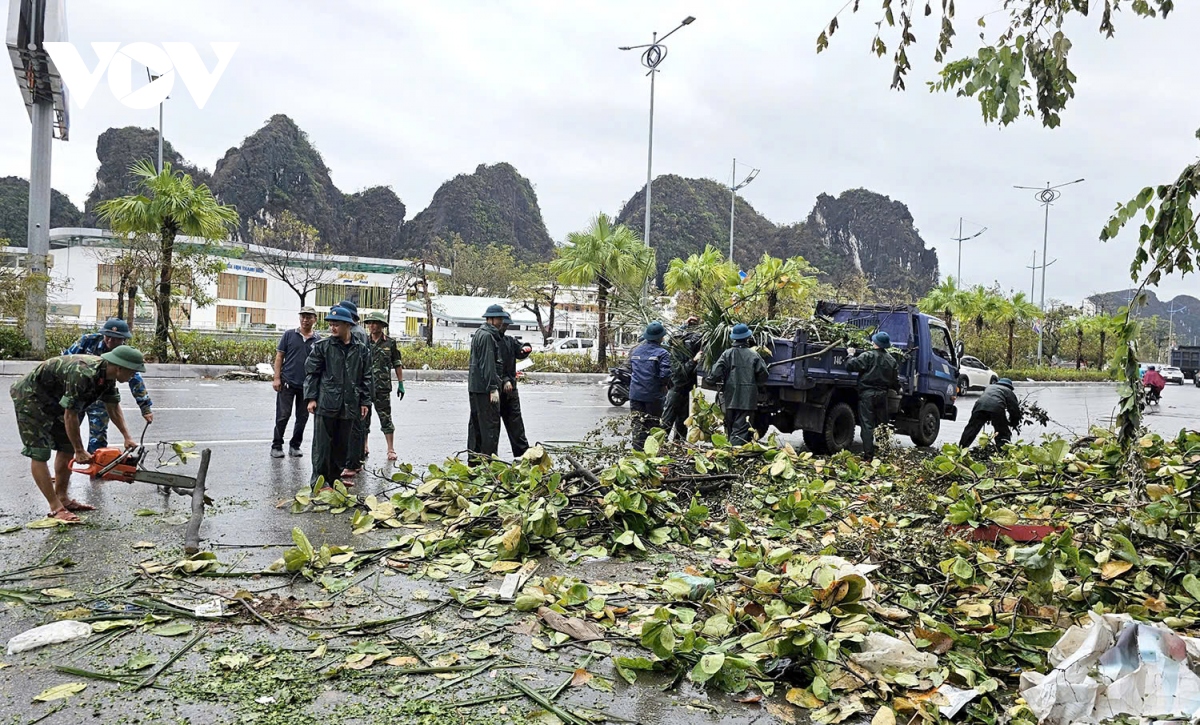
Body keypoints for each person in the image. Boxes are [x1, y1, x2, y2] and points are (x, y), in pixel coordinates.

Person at [11, 345, 146, 522]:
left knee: (65, 446)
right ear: (119, 367)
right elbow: (71, 415)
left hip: (54, 398)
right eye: (132, 372)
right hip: (30, 397)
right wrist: (80, 450)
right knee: (39, 451)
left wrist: (126, 436)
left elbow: (113, 406)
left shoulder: (108, 376)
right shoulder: (84, 374)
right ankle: (55, 507)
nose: (132, 376)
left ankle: (63, 498)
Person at [64, 319, 153, 453]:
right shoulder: (87, 341)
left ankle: (96, 471)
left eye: (116, 339)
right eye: (108, 336)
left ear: (123, 339)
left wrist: (145, 407)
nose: (111, 341)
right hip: (78, 392)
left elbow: (135, 378)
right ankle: (66, 468)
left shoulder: (124, 353)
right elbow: (66, 361)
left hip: (101, 396)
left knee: (98, 439)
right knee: (68, 436)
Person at [305, 307, 371, 487]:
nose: (332, 328)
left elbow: (366, 376)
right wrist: (311, 398)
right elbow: (312, 373)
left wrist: (365, 401)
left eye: (336, 325)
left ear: (348, 325)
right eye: (331, 325)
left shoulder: (361, 349)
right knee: (322, 446)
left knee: (342, 445)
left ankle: (334, 478)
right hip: (326, 402)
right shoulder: (322, 347)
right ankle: (319, 482)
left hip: (350, 403)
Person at [706, 323, 769, 446]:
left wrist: (710, 381)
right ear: (748, 338)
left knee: (730, 427)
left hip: (730, 397)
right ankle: (733, 454)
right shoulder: (754, 355)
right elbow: (764, 374)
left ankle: (731, 451)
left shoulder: (727, 354)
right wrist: (757, 385)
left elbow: (715, 372)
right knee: (740, 429)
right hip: (747, 399)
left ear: (734, 338)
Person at [271, 306, 320, 458]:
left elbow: (319, 364)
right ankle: (277, 445)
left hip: (307, 386)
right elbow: (280, 356)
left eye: (309, 317)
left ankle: (295, 445)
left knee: (302, 417)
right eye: (303, 316)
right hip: (287, 382)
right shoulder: (289, 335)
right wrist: (277, 377)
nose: (305, 320)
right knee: (283, 415)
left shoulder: (318, 340)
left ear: (314, 320)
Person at [845, 331, 900, 458]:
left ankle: (868, 456)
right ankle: (884, 454)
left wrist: (850, 354)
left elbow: (850, 366)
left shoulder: (867, 356)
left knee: (867, 425)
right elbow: (895, 381)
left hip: (867, 395)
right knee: (882, 425)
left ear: (874, 343)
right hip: (882, 396)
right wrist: (899, 390)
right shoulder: (891, 360)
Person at [335, 299, 373, 478]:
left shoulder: (355, 334)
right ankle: (356, 461)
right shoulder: (362, 332)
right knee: (358, 426)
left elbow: (358, 363)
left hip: (353, 388)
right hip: (359, 387)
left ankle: (351, 464)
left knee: (353, 428)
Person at [363, 312, 405, 461]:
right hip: (366, 386)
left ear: (382, 325)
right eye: (370, 323)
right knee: (364, 418)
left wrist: (401, 383)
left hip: (382, 387)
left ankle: (390, 449)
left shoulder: (390, 343)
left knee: (385, 418)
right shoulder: (364, 342)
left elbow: (397, 363)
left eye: (375, 323)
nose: (372, 326)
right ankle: (364, 446)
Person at [467, 304, 506, 460]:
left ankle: (474, 461)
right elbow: (487, 364)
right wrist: (493, 388)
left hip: (476, 387)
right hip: (484, 389)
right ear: (490, 319)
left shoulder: (479, 333)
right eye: (499, 318)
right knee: (489, 427)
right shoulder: (488, 336)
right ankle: (488, 461)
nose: (501, 321)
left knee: (476, 425)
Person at [628, 321, 672, 451]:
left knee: (637, 424)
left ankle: (637, 452)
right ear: (661, 337)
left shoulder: (636, 351)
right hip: (653, 396)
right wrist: (664, 386)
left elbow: (631, 369)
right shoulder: (662, 353)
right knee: (652, 425)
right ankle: (651, 454)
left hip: (635, 394)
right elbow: (665, 375)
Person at [497, 312, 533, 457]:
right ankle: (488, 460)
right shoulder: (490, 342)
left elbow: (520, 350)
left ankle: (523, 456)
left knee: (516, 425)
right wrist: (504, 380)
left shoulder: (509, 341)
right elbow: (493, 365)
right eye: (503, 325)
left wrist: (526, 348)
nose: (504, 328)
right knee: (492, 430)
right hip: (496, 389)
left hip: (511, 390)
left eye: (506, 325)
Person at [661, 317, 702, 441]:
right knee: (667, 421)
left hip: (686, 389)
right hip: (676, 388)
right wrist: (693, 361)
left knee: (682, 422)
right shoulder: (673, 352)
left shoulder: (687, 346)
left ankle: (679, 445)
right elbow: (680, 372)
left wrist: (686, 324)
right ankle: (658, 445)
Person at [959, 378, 1022, 448]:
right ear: (1010, 387)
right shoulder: (1009, 391)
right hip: (997, 408)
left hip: (979, 406)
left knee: (971, 429)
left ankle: (961, 449)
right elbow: (1014, 410)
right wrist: (1014, 423)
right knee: (1002, 432)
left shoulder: (989, 387)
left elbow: (987, 401)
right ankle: (1002, 451)